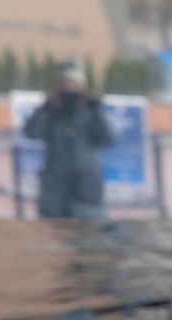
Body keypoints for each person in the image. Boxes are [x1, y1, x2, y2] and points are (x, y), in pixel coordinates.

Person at [22, 61, 114, 220]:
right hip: (56, 189)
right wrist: (45, 110)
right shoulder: (50, 111)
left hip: (86, 188)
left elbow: (109, 137)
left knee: (89, 237)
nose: (70, 88)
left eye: (74, 84)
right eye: (66, 84)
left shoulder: (91, 110)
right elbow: (32, 133)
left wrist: (98, 112)